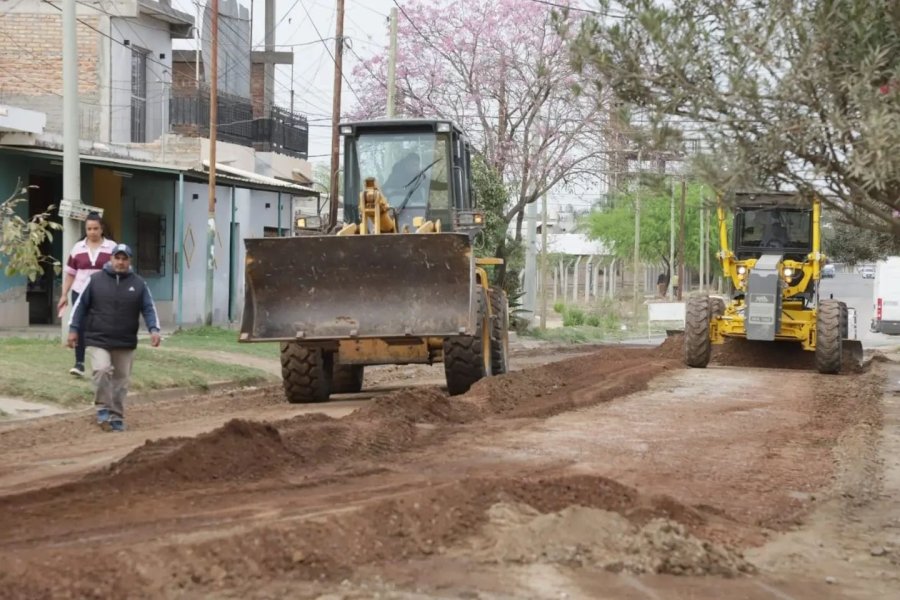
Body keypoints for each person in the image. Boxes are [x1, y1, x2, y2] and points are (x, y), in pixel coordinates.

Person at [68, 244, 161, 432]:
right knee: (101, 370)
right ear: (110, 259)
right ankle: (102, 407)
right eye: (117, 258)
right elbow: (80, 306)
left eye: (124, 258)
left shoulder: (139, 283)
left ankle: (116, 415)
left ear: (130, 261)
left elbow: (149, 308)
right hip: (98, 337)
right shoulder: (95, 280)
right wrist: (73, 328)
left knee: (121, 381)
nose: (120, 262)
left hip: (125, 340)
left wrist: (154, 329)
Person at [57, 212, 117, 377]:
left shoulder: (112, 247)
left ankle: (105, 363)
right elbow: (70, 273)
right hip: (80, 292)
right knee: (80, 326)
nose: (92, 232)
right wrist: (64, 294)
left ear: (102, 228)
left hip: (103, 294)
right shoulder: (78, 248)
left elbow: (118, 271)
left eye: (95, 228)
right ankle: (79, 363)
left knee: (103, 326)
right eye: (89, 228)